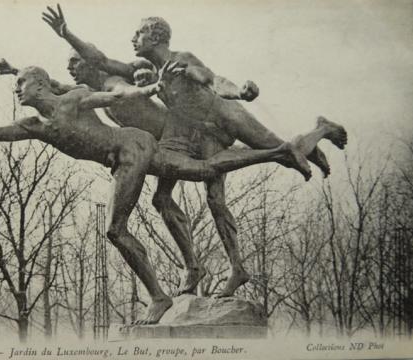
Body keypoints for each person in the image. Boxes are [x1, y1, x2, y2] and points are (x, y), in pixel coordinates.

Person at [0, 64, 342, 324]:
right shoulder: (35, 126)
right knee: (191, 179)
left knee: (122, 224)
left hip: (133, 146)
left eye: (22, 85)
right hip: (128, 154)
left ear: (42, 86)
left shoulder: (74, 99)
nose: (16, 92)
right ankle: (286, 151)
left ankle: (162, 296)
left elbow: (115, 96)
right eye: (16, 86)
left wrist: (149, 89)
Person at [42, 4, 347, 297]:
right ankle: (231, 269)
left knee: (287, 154)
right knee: (189, 198)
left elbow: (213, 80)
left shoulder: (181, 59)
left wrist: (240, 92)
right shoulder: (140, 67)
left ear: (156, 37)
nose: (132, 39)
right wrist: (67, 33)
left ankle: (320, 130)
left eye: (138, 34)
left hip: (225, 117)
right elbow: (103, 60)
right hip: (192, 134)